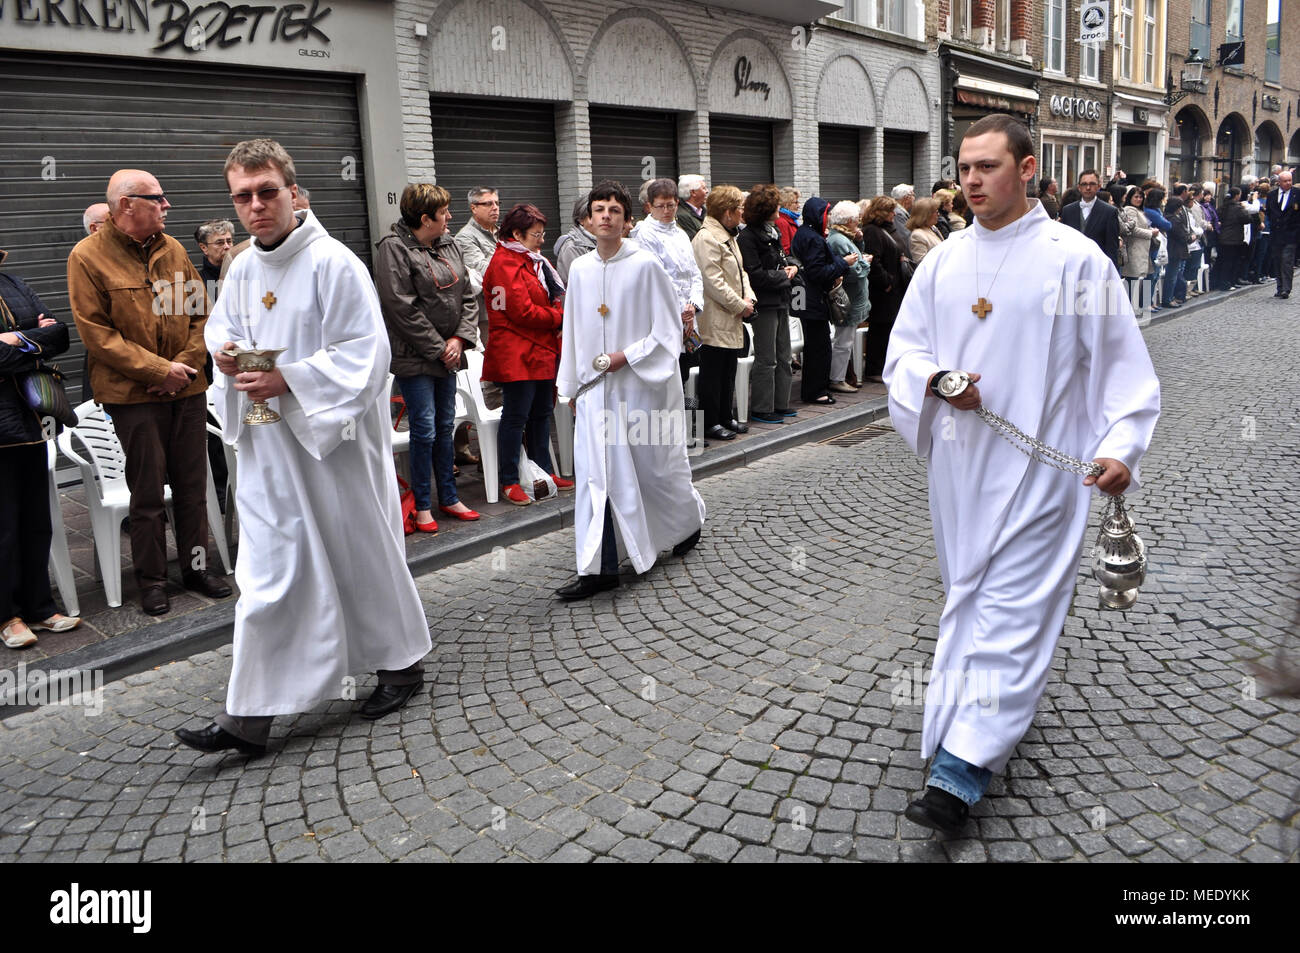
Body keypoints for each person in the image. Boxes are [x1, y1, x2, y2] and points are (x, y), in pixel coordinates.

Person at [884, 113, 1161, 836]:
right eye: (964, 168)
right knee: (970, 594)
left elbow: (1122, 365)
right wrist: (939, 379)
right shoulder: (943, 261)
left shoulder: (1076, 260)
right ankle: (969, 722)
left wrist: (1123, 442)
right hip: (960, 468)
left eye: (987, 166)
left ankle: (961, 768)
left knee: (1014, 610)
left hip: (1043, 471)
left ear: (1027, 167)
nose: (971, 180)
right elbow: (903, 355)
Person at [177, 138, 432, 757]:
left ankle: (400, 664)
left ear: (293, 191)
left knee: (357, 551)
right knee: (269, 570)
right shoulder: (240, 267)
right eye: (243, 196)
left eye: (268, 191)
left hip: (332, 445)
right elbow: (224, 326)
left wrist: (287, 376)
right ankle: (251, 716)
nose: (257, 206)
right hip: (267, 441)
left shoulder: (334, 262)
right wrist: (230, 353)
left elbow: (364, 355)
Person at [67, 169, 230, 616]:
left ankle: (197, 568)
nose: (166, 205)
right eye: (158, 198)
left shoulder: (173, 249)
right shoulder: (87, 257)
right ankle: (153, 581)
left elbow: (200, 315)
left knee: (194, 486)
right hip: (134, 396)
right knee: (146, 492)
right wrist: (157, 370)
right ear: (127, 204)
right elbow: (97, 334)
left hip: (187, 389)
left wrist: (184, 367)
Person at [554, 180, 705, 600]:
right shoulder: (581, 269)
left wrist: (624, 356)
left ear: (627, 220)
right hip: (595, 390)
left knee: (653, 469)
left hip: (641, 387)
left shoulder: (645, 265)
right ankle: (598, 567)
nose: (605, 216)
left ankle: (686, 522)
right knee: (595, 475)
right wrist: (570, 386)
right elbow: (572, 332)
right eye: (598, 210)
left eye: (613, 211)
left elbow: (668, 331)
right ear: (586, 220)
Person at [374, 183, 481, 532]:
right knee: (424, 429)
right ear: (425, 218)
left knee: (445, 426)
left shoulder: (448, 243)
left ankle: (449, 498)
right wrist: (440, 347)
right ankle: (422, 505)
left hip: (448, 354)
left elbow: (467, 293)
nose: (450, 218)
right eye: (444, 213)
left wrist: (460, 339)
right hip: (415, 357)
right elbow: (400, 307)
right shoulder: (394, 249)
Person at [0, 252, 81, 649]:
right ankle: (7, 616)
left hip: (29, 419)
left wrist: (14, 338)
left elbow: (60, 334)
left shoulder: (14, 283)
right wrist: (34, 339)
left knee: (36, 520)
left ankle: (39, 607)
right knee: (3, 527)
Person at [481, 203, 572, 505]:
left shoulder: (532, 260)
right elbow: (522, 312)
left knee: (541, 413)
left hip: (540, 349)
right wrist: (558, 317)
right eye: (536, 234)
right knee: (516, 416)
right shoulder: (504, 264)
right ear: (517, 234)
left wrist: (555, 311)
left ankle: (542, 471)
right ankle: (509, 480)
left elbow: (549, 300)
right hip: (516, 352)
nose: (542, 240)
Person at [692, 185, 755, 441]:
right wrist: (741, 305)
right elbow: (712, 282)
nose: (742, 213)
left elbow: (741, 273)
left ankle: (725, 415)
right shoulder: (707, 238)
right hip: (716, 317)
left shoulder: (728, 235)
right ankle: (710, 421)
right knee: (713, 370)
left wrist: (749, 297)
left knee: (728, 368)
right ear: (728, 213)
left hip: (731, 315)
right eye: (740, 208)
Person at [737, 184, 798, 424]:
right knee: (767, 357)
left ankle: (781, 403)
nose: (780, 209)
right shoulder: (749, 237)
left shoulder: (773, 232)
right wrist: (785, 275)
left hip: (780, 299)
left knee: (784, 355)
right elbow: (755, 275)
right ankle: (762, 408)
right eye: (775, 206)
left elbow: (785, 256)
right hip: (765, 303)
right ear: (765, 210)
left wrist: (793, 266)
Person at [630, 178, 704, 366]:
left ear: (677, 203)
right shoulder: (644, 234)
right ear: (650, 206)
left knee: (688, 372)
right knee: (669, 371)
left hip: (687, 315)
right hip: (664, 315)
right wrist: (681, 311)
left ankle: (690, 399)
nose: (666, 211)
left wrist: (692, 305)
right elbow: (658, 278)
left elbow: (694, 272)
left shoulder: (680, 233)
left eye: (670, 206)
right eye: (660, 206)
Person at [791, 196, 852, 406]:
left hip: (805, 298)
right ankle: (816, 391)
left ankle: (814, 388)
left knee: (816, 347)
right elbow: (817, 272)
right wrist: (843, 264)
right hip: (813, 300)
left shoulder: (805, 233)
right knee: (819, 348)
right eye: (826, 214)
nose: (827, 219)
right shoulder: (814, 238)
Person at [859, 196, 908, 384]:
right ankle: (874, 368)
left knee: (889, 328)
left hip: (894, 288)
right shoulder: (872, 231)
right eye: (889, 211)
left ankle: (886, 365)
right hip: (883, 290)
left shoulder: (888, 229)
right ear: (880, 212)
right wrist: (886, 282)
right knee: (880, 329)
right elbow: (874, 261)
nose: (893, 214)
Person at [825, 200, 871, 394]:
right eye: (856, 220)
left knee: (845, 341)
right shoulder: (839, 240)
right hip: (849, 300)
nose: (858, 223)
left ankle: (841, 376)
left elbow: (854, 261)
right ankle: (837, 378)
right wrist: (866, 263)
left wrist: (859, 243)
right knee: (844, 341)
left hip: (852, 298)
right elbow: (855, 272)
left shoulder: (843, 237)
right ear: (848, 221)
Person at [220, 187, 310, 281]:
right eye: (296, 211)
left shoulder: (320, 252)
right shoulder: (237, 257)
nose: (298, 218)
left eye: (305, 212)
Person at [1060, 169, 1121, 268]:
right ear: (1079, 187)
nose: (1088, 188)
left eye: (1092, 184)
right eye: (1084, 184)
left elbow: (1112, 247)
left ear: (1099, 186)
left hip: (1097, 267)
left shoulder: (1109, 212)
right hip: (1072, 267)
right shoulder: (1068, 210)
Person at [1118, 185, 1156, 315]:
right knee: (1132, 279)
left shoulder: (1140, 210)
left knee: (1146, 276)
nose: (1139, 199)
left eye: (1141, 197)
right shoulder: (1130, 210)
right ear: (1130, 197)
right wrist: (1150, 233)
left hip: (1144, 249)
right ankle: (1131, 308)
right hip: (1135, 248)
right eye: (1136, 197)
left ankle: (1143, 305)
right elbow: (1133, 230)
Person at [1266, 170, 1298, 298]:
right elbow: (1269, 212)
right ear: (1279, 182)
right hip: (1276, 234)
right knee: (1278, 261)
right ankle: (1279, 287)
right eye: (1285, 181)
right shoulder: (1272, 195)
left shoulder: (1297, 194)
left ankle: (1286, 289)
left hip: (1291, 235)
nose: (1288, 183)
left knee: (1287, 261)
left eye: (1290, 180)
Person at [554, 197, 597, 284]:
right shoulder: (572, 247)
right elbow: (583, 283)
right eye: (592, 217)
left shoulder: (602, 241)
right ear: (581, 220)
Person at [907, 197, 945, 263]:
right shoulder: (917, 235)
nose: (938, 214)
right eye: (936, 212)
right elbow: (921, 262)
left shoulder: (932, 228)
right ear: (926, 215)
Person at [675, 175, 708, 239]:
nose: (707, 191)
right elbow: (696, 240)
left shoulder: (706, 212)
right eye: (704, 188)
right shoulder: (681, 216)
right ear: (693, 192)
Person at [891, 184, 916, 260]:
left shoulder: (900, 212)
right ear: (906, 198)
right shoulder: (898, 214)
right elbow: (905, 239)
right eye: (913, 195)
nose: (914, 198)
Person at [776, 187, 801, 253]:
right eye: (796, 202)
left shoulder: (791, 220)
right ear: (786, 204)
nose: (799, 205)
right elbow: (785, 250)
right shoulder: (782, 222)